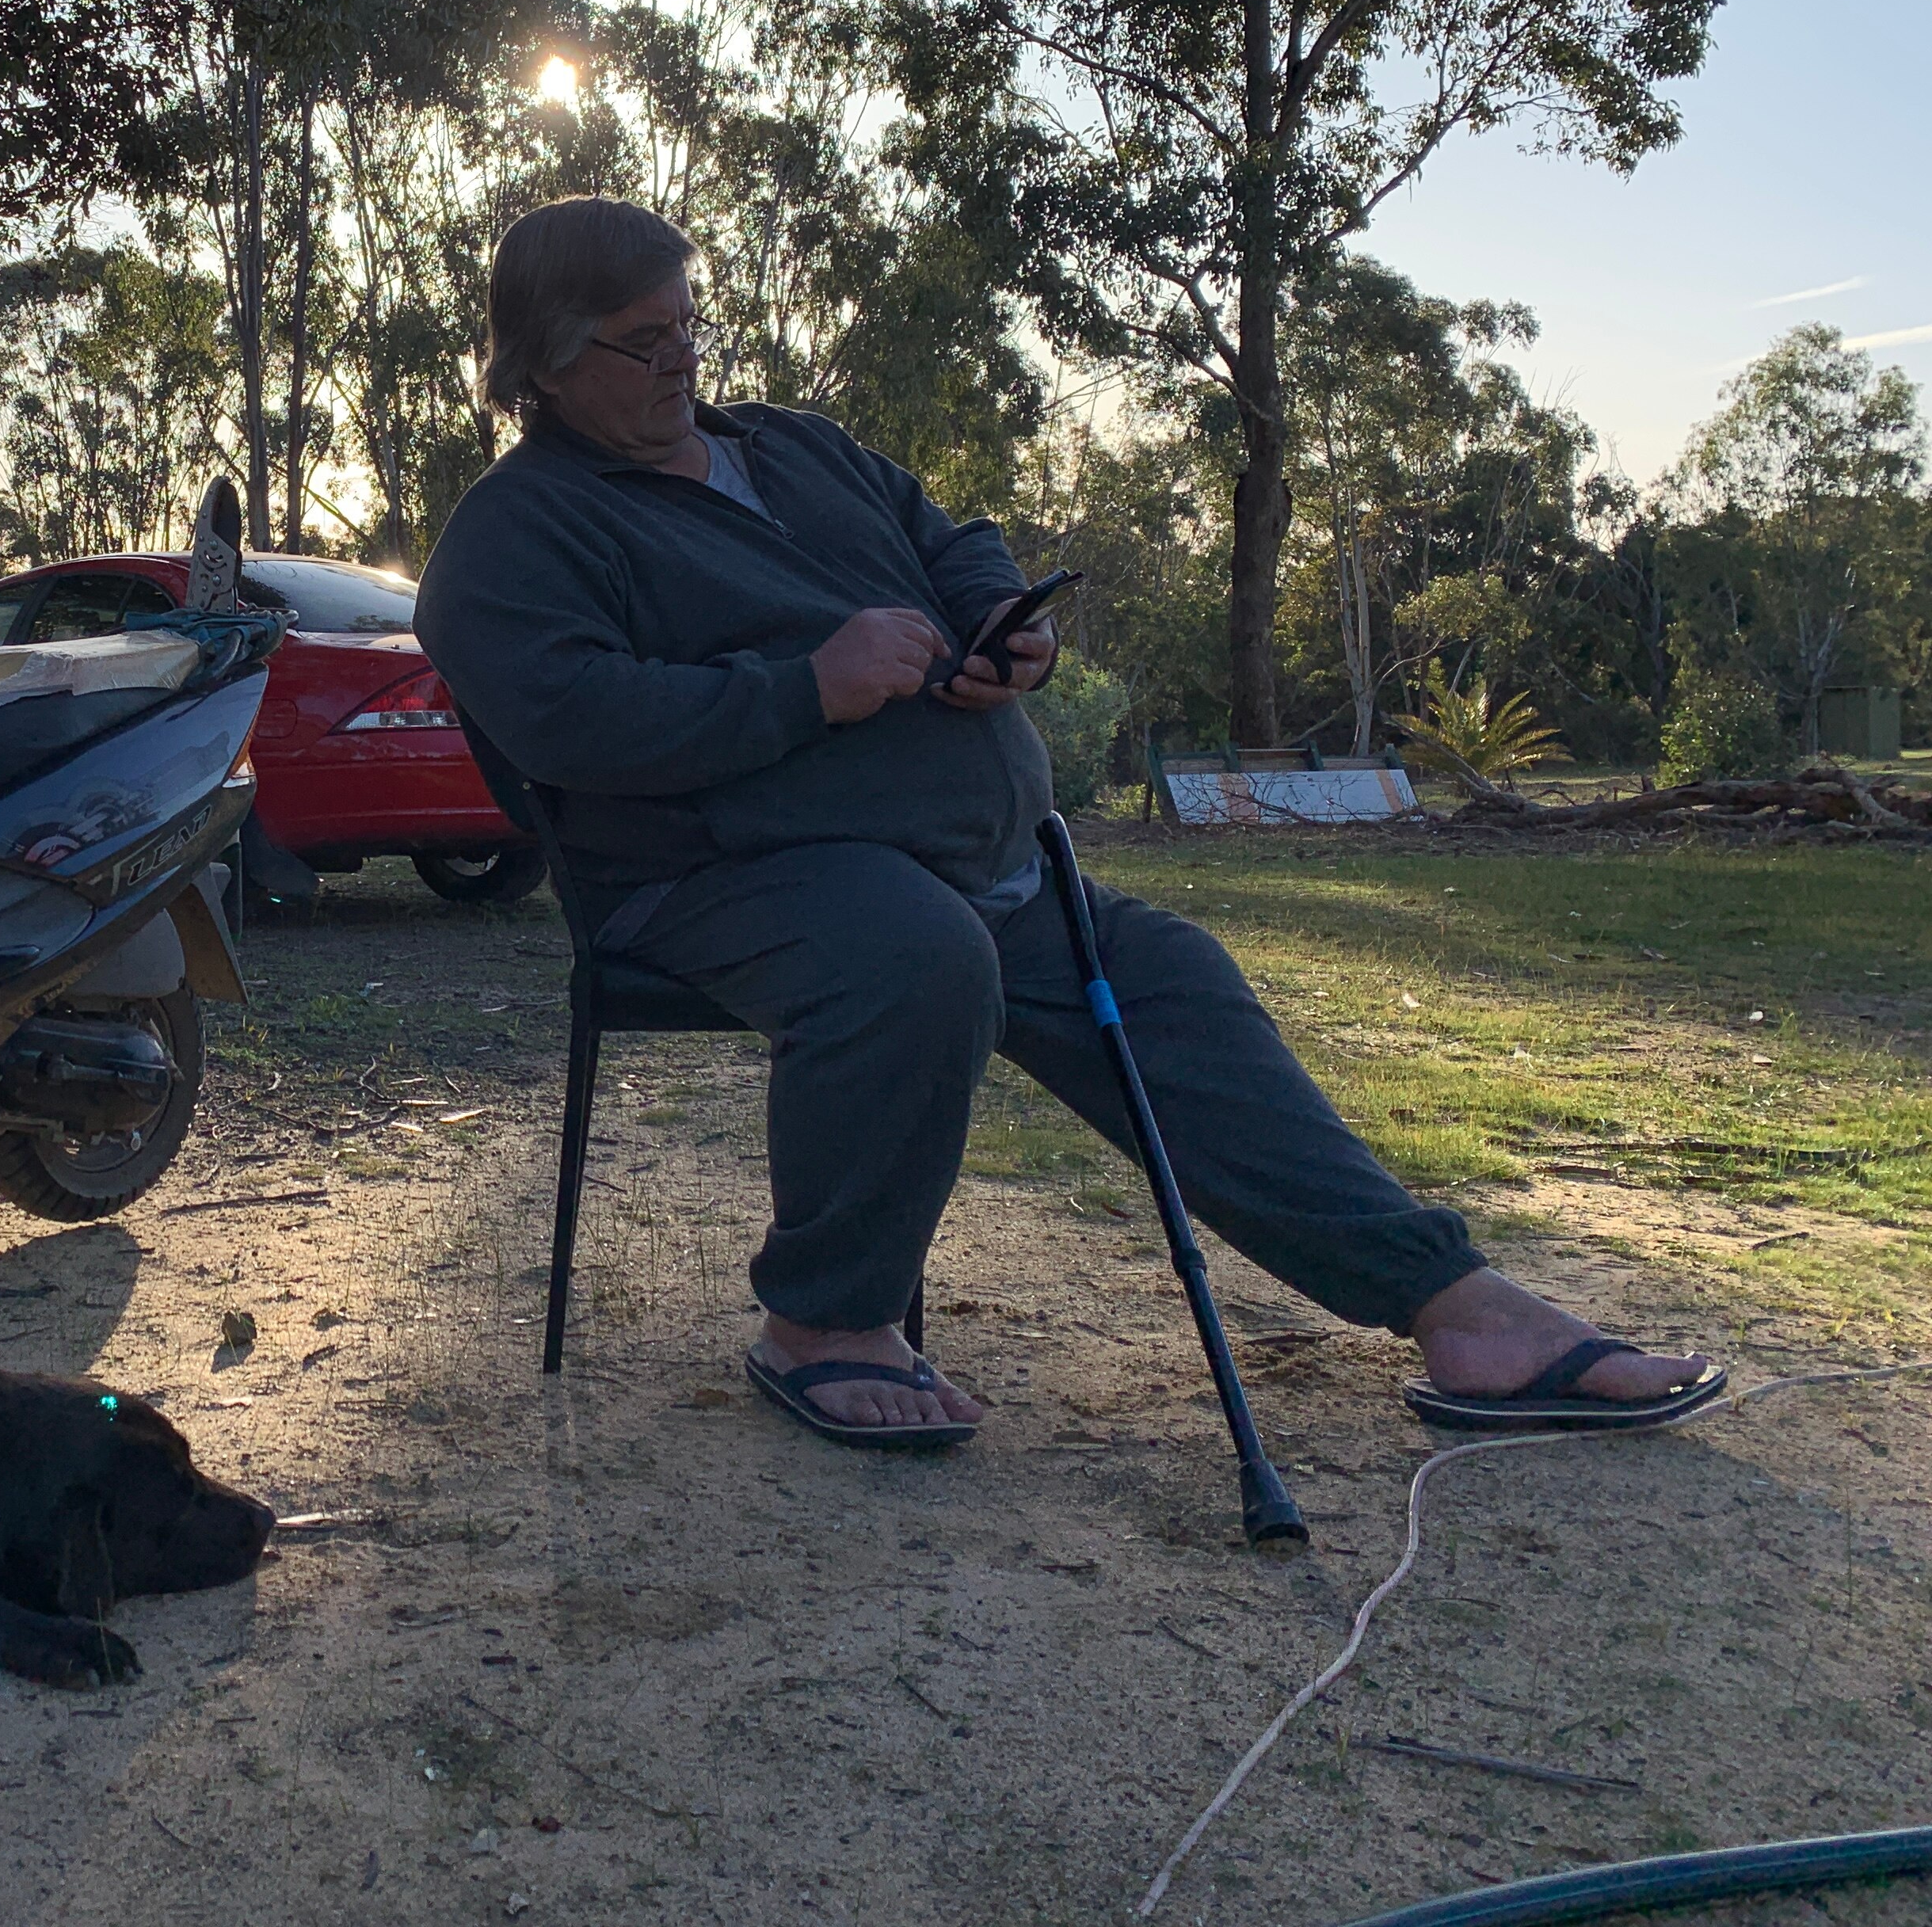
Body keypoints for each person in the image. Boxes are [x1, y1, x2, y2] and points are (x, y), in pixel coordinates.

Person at [414, 197, 1723, 1449]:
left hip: (986, 861)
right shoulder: (515, 534)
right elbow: (573, 724)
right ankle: (823, 1321)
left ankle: (1460, 1310)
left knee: (1170, 981)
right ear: (543, 361)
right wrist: (806, 688)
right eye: (645, 343)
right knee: (914, 960)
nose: (681, 360)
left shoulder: (794, 448)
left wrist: (1004, 624)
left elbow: (954, 536)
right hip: (722, 878)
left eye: (690, 325)